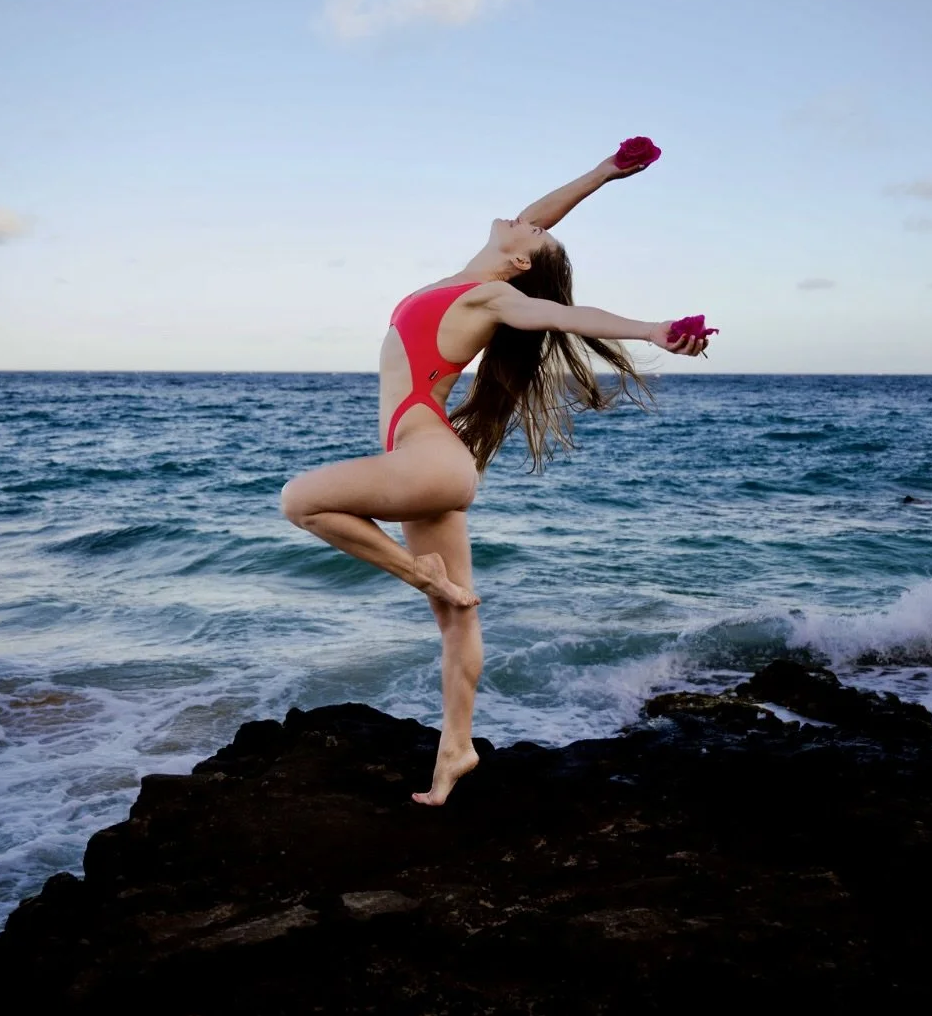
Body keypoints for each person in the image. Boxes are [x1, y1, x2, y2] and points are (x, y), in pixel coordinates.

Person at [281, 148, 709, 805]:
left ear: (517, 263)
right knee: (456, 619)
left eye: (533, 233)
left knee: (301, 501)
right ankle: (457, 750)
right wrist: (604, 173)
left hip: (431, 461)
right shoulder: (473, 276)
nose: (530, 220)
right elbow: (537, 218)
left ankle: (415, 572)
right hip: (429, 463)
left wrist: (654, 330)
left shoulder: (493, 293)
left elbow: (564, 315)